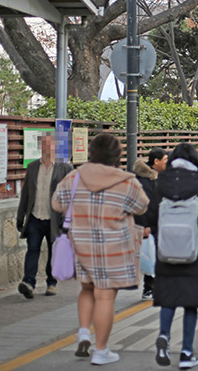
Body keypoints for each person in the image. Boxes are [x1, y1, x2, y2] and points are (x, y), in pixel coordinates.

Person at [51, 133, 149, 365]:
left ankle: (84, 331)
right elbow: (142, 206)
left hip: (81, 244)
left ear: (91, 152)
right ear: (118, 155)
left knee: (86, 289)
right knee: (104, 296)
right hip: (113, 248)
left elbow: (57, 203)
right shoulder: (126, 181)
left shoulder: (74, 177)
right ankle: (101, 350)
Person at [152, 142, 198, 369]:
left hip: (166, 251)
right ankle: (186, 353)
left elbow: (151, 218)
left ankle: (164, 335)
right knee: (191, 303)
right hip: (196, 252)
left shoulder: (160, 183)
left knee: (168, 298)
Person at [16, 132, 73, 299]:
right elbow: (26, 194)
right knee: (32, 249)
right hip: (35, 216)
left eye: (50, 144)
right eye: (44, 144)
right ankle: (29, 283)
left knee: (54, 251)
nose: (47, 148)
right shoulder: (33, 167)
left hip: (55, 219)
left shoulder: (65, 168)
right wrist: (21, 217)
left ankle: (52, 283)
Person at [133, 147, 168, 300]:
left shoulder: (160, 177)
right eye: (165, 160)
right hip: (150, 226)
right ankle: (149, 288)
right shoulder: (143, 181)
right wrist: (144, 226)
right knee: (150, 255)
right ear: (156, 161)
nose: (168, 163)